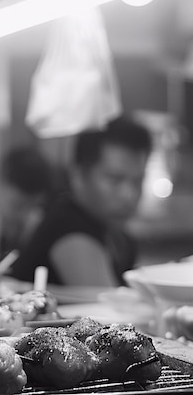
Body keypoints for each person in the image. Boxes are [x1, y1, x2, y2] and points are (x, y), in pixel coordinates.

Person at [10, 116, 152, 287]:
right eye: (115, 180)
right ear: (78, 176)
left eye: (138, 180)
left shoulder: (117, 235)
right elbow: (107, 307)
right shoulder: (69, 228)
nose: (129, 195)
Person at [0, 145, 56, 263]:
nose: (25, 216)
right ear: (2, 183)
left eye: (34, 206)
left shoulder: (41, 233)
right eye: (18, 206)